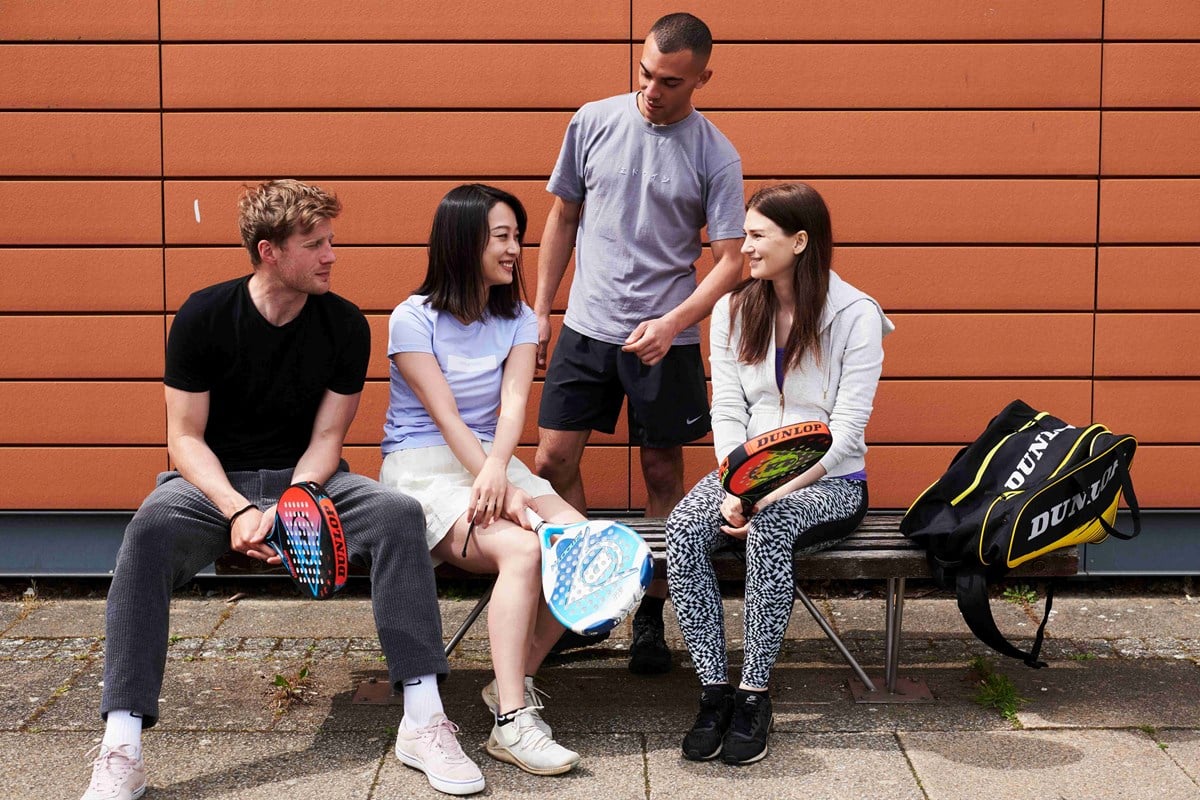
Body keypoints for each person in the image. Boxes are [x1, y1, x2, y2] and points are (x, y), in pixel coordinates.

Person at [79, 180, 482, 800]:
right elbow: (184, 440)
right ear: (270, 252)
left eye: (331, 241)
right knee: (148, 532)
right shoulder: (203, 316)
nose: (331, 255)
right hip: (214, 483)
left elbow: (328, 437)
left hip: (311, 481)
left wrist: (295, 505)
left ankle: (424, 719)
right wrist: (239, 509)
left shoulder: (345, 325)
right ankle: (121, 746)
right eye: (315, 244)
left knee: (399, 515)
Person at [533, 12, 746, 674]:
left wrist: (676, 323)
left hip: (665, 336)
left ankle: (651, 616)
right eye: (646, 73)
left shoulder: (717, 153)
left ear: (703, 78)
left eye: (671, 81)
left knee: (662, 474)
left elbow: (731, 260)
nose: (654, 90)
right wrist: (540, 309)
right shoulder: (592, 120)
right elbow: (563, 214)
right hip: (586, 326)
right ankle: (588, 601)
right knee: (551, 461)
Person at [666, 183, 894, 765]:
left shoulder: (856, 316)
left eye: (757, 235)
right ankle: (714, 688)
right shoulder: (733, 309)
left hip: (830, 485)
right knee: (683, 530)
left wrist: (770, 494)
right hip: (743, 475)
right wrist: (734, 483)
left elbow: (845, 433)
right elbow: (727, 410)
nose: (745, 247)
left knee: (771, 531)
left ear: (799, 241)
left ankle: (754, 695)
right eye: (746, 234)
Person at [379, 184, 583, 777]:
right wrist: (499, 483)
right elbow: (443, 413)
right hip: (422, 465)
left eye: (517, 236)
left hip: (493, 457)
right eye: (502, 236)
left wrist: (501, 473)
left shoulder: (519, 318)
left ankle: (509, 682)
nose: (516, 248)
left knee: (583, 546)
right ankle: (514, 724)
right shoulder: (411, 319)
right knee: (524, 550)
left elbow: (514, 406)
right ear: (463, 241)